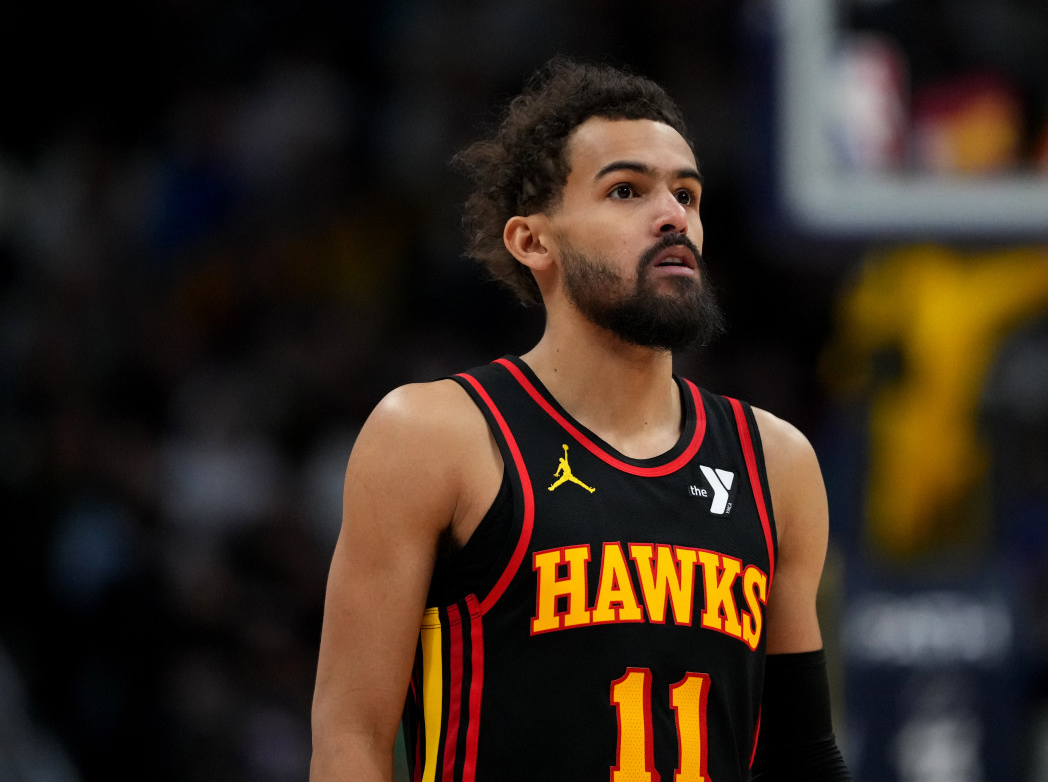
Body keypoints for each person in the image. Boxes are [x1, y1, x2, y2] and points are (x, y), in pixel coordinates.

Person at [310, 57, 851, 781]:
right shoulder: (434, 435)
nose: (673, 216)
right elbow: (351, 739)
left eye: (687, 194)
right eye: (626, 190)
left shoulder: (775, 461)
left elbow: (801, 755)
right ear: (533, 242)